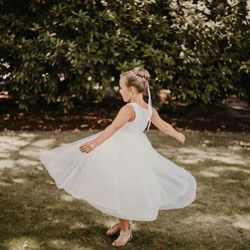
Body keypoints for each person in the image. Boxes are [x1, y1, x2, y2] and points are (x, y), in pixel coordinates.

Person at [39, 66, 197, 248]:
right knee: (120, 187)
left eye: (121, 88)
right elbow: (165, 126)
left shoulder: (128, 109)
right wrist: (178, 135)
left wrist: (94, 144)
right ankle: (123, 222)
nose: (119, 91)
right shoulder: (149, 109)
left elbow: (112, 128)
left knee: (122, 189)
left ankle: (125, 231)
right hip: (136, 148)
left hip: (126, 151)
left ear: (130, 90)